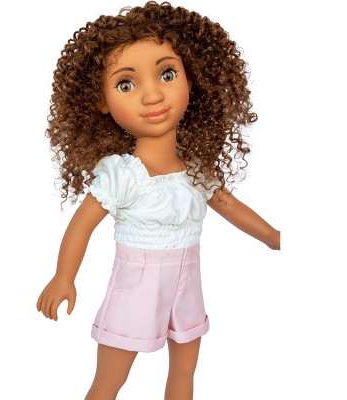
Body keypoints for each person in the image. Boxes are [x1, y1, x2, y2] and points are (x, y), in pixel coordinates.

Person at [36, 2, 281, 399]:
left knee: (184, 373)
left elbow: (229, 205)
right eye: (126, 85)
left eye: (167, 74)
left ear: (191, 78)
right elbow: (81, 225)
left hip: (187, 286)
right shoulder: (122, 174)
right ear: (101, 101)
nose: (152, 96)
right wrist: (64, 277)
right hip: (137, 286)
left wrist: (274, 237)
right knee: (110, 380)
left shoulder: (194, 169)